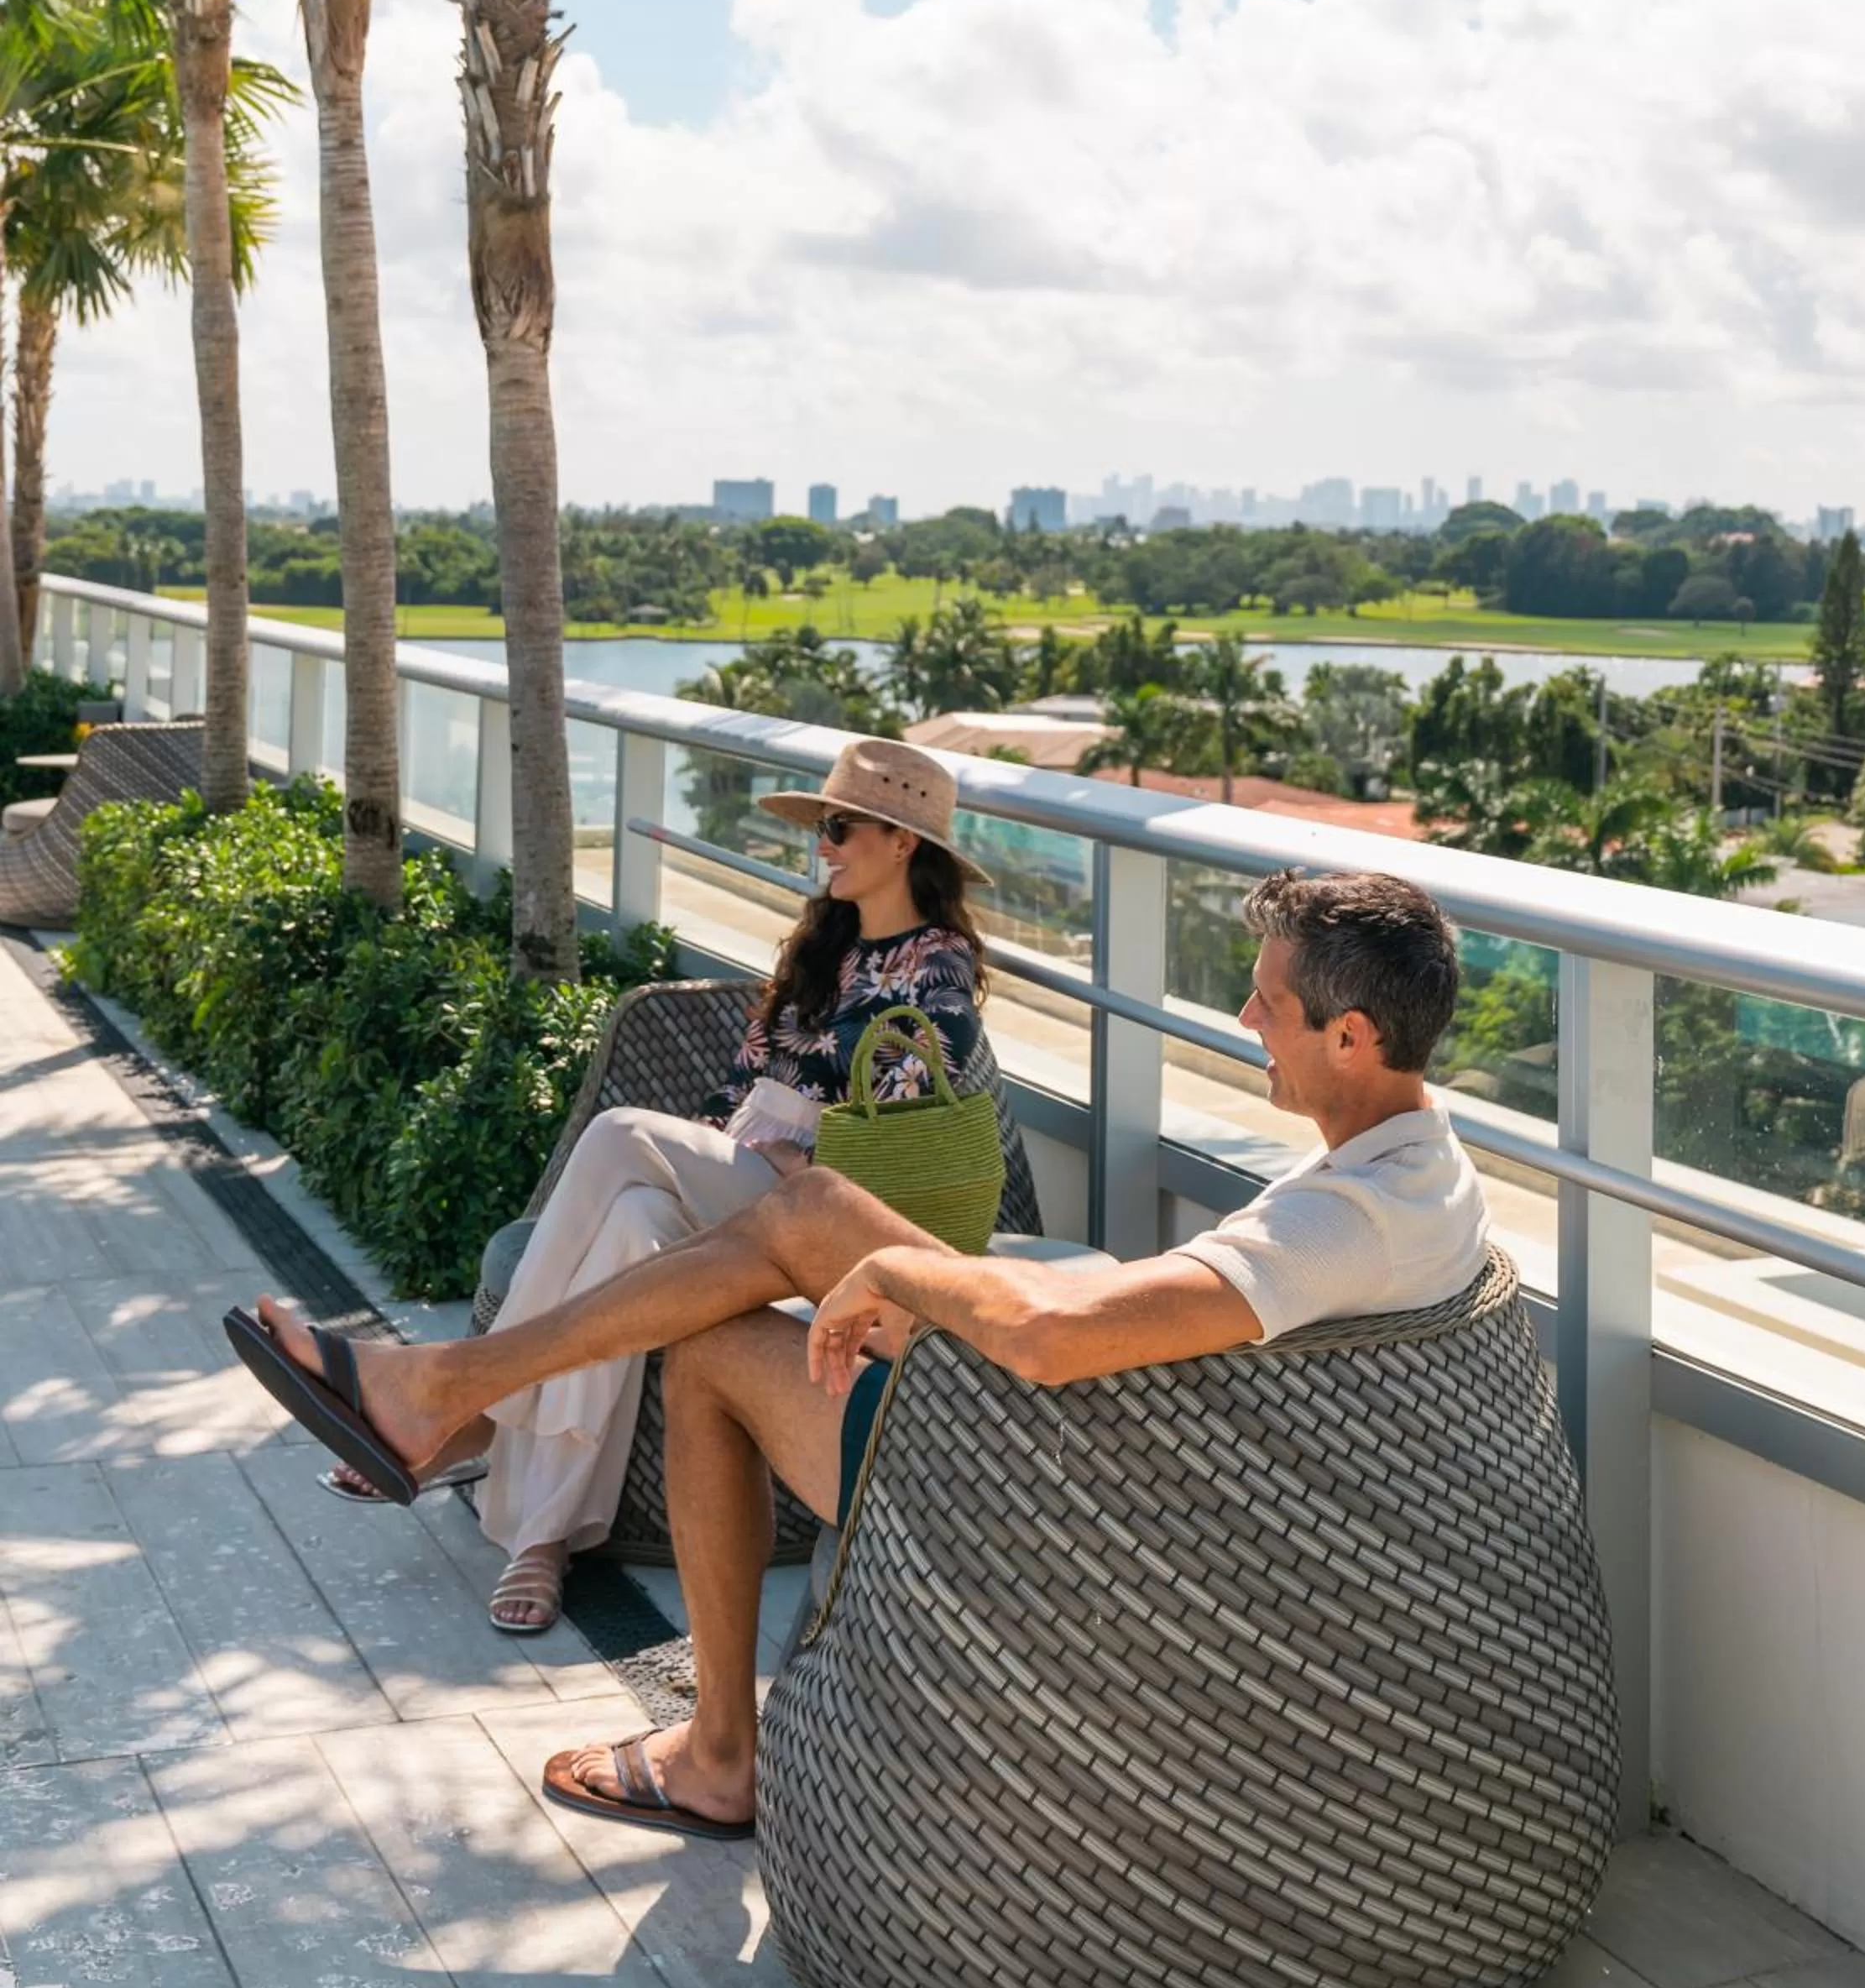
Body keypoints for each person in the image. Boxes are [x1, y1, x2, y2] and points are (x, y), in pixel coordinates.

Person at [234, 867, 1489, 1839]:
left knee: (723, 1339)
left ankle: (709, 1739)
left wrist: (904, 1277)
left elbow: (1055, 1345)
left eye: (1268, 999)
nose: (1245, 1015)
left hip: (1056, 1499)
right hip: (1120, 1435)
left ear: (1353, 1037)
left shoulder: (1346, 1219)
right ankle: (443, 1396)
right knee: (802, 1218)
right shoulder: (1415, 1169)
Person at [323, 735, 993, 1636]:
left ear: (901, 841)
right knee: (635, 1219)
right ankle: (543, 1540)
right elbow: (736, 1090)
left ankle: (468, 1405)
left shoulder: (934, 962)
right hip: (753, 1186)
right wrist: (731, 1147)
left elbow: (904, 1095)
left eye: (837, 828)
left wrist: (798, 1146)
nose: (821, 846)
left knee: (619, 1133)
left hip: (830, 1215)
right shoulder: (820, 944)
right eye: (822, 828)